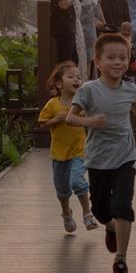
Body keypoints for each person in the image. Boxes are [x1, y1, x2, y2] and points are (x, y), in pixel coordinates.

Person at [66, 33, 136, 273]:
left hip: (125, 158)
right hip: (97, 160)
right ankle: (111, 227)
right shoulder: (88, 90)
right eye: (111, 57)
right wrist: (89, 122)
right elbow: (71, 119)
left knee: (123, 205)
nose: (117, 62)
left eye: (123, 57)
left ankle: (120, 262)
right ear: (98, 61)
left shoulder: (130, 88)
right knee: (101, 210)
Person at [38, 61, 98, 233]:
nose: (76, 79)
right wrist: (56, 119)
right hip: (58, 153)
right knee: (62, 190)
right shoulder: (53, 104)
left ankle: (87, 214)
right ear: (59, 84)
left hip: (79, 150)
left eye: (78, 77)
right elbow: (42, 123)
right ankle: (66, 213)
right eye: (70, 77)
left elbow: (91, 119)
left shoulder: (81, 103)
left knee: (77, 181)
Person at [69, 0, 93, 81]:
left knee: (79, 57)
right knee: (82, 58)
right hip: (79, 29)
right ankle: (82, 80)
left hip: (75, 27)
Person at [119, 21, 136, 85]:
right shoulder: (128, 40)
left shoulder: (122, 39)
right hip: (130, 63)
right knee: (130, 79)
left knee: (127, 78)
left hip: (126, 62)